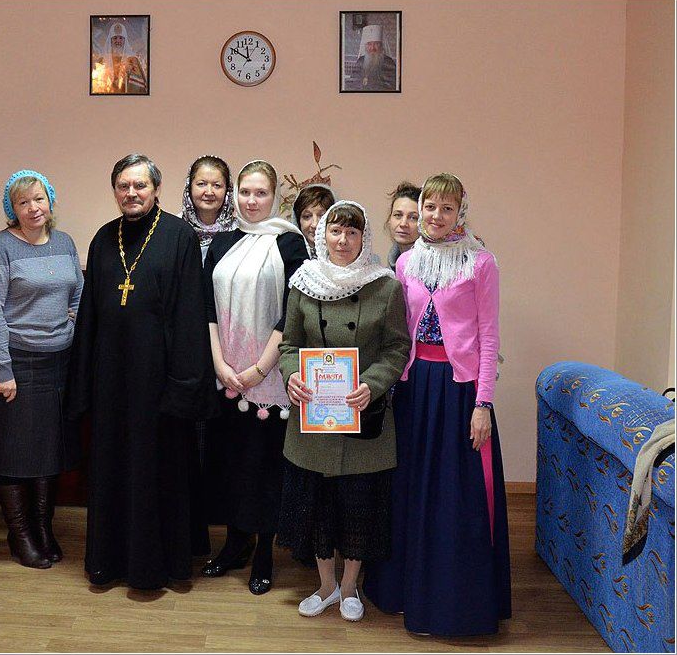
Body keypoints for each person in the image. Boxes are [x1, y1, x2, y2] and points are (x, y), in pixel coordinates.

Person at [363, 173, 512, 636]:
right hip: (415, 390)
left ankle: (454, 604)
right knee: (410, 491)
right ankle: (404, 592)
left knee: (454, 498)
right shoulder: (407, 262)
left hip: (459, 391)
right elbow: (398, 333)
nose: (436, 216)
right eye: (430, 206)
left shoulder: (480, 262)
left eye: (447, 208)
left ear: (460, 212)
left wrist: (483, 403)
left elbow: (488, 337)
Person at [67, 154, 214, 590]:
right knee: (112, 470)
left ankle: (160, 566)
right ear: (115, 191)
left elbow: (189, 315)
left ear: (156, 190)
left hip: (159, 383)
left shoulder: (178, 236)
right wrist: (84, 384)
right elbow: (89, 317)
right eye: (123, 186)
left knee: (157, 472)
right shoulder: (102, 238)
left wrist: (183, 386)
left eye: (140, 186)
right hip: (111, 381)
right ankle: (108, 563)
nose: (131, 193)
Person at [276, 201, 410, 621]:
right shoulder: (303, 283)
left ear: (364, 238)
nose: (343, 240)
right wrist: (292, 375)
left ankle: (350, 588)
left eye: (352, 232)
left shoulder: (385, 286)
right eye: (335, 231)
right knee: (318, 508)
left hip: (362, 415)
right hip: (313, 416)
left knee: (358, 507)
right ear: (322, 235)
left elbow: (397, 347)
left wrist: (372, 384)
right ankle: (326, 586)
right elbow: (289, 345)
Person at [201, 160, 309, 595]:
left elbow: (293, 310)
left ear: (274, 196)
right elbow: (207, 307)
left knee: (265, 469)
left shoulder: (290, 243)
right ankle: (235, 545)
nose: (251, 200)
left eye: (260, 192)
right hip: (226, 376)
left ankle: (264, 552)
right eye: (244, 192)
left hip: (269, 379)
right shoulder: (223, 240)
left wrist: (260, 368)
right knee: (231, 464)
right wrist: (220, 365)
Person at [0, 170, 83, 569]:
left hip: (59, 362)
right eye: (23, 202)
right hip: (17, 364)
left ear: (50, 201)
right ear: (13, 209)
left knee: (49, 451)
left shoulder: (65, 242)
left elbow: (78, 293)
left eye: (39, 199)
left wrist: (70, 324)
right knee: (15, 451)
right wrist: (2, 370)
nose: (33, 208)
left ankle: (42, 529)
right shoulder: (0, 249)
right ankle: (20, 534)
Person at [179, 155, 236, 555]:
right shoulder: (172, 232)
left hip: (232, 355)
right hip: (187, 354)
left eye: (217, 184)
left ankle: (233, 538)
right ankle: (191, 533)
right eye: (202, 183)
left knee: (226, 448)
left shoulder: (242, 235)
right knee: (189, 447)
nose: (209, 192)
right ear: (189, 187)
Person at [97, 22, 148, 94]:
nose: (118, 41)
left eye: (121, 38)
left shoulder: (133, 60)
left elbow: (138, 86)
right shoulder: (102, 60)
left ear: (125, 40)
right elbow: (97, 83)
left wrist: (128, 75)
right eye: (115, 38)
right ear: (110, 40)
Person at [292, 184, 337, 259]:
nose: (315, 224)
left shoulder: (346, 255)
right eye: (307, 216)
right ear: (298, 221)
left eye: (322, 216)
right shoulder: (288, 255)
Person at [348, 24, 397, 91]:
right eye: (369, 44)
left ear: (381, 46)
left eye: (376, 44)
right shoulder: (360, 60)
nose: (372, 48)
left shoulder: (388, 62)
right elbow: (353, 81)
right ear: (365, 46)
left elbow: (392, 86)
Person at [385, 181, 421, 271]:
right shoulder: (388, 268)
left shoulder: (430, 268)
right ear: (389, 219)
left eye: (413, 218)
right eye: (398, 215)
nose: (403, 224)